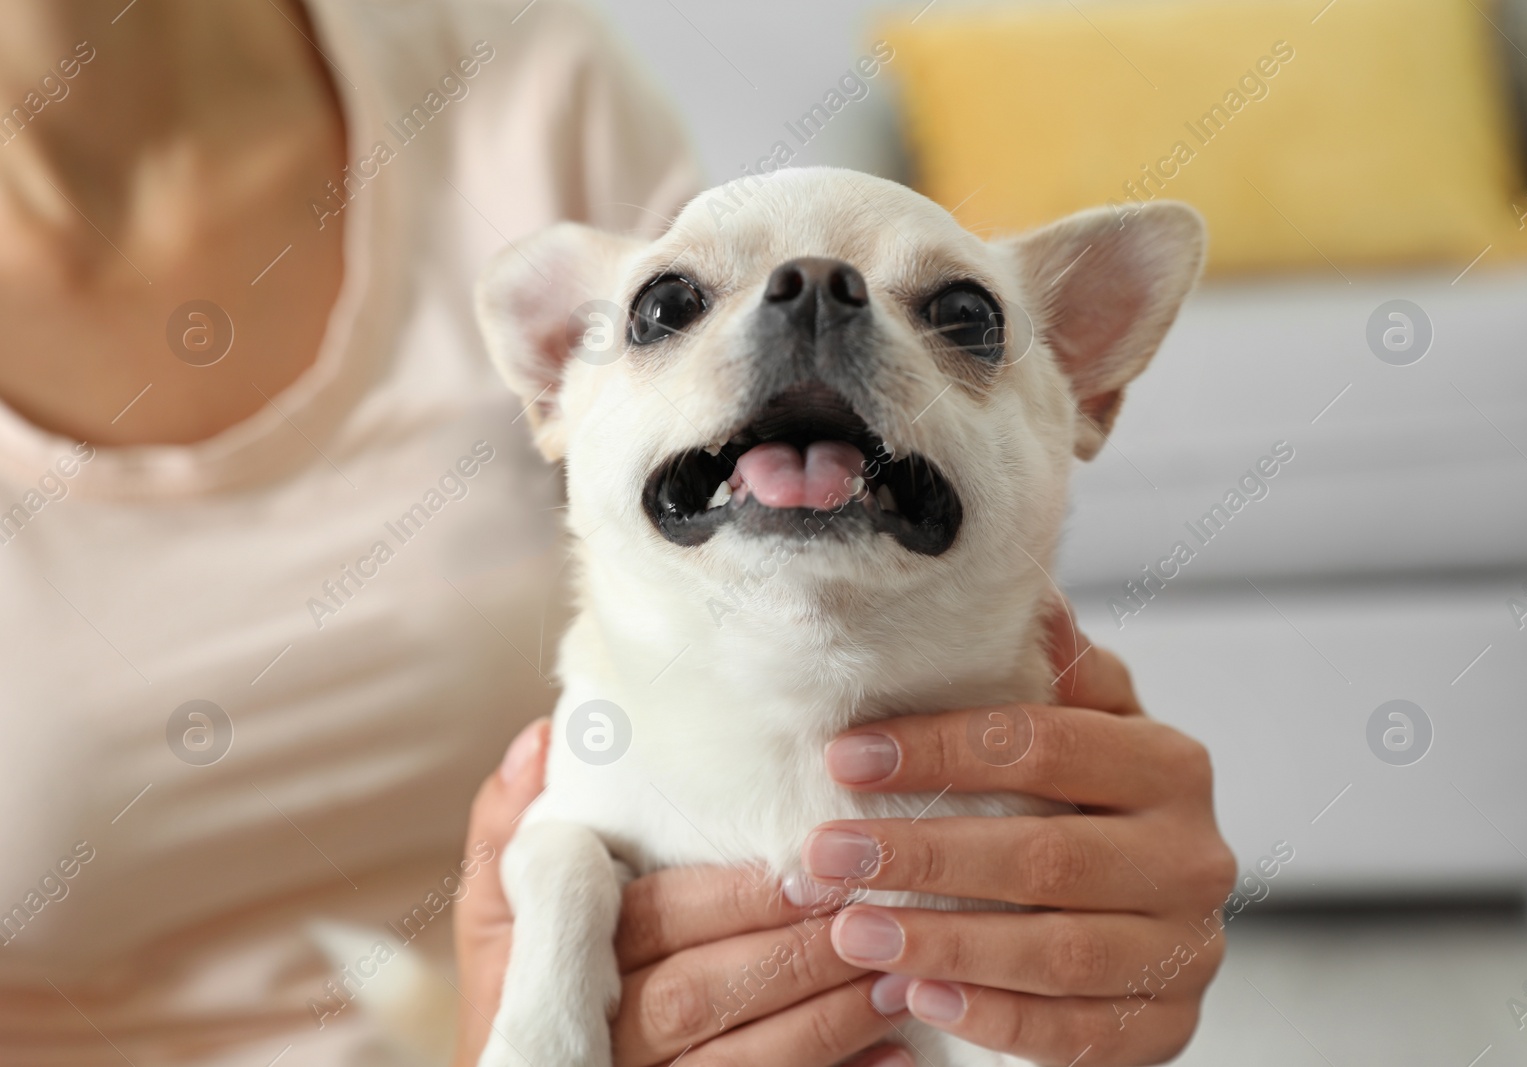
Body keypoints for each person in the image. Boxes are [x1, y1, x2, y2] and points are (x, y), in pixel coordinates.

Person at [0, 1, 1234, 1065]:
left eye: (956, 317)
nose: (813, 301)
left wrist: (1112, 919)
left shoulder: (525, 89)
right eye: (676, 307)